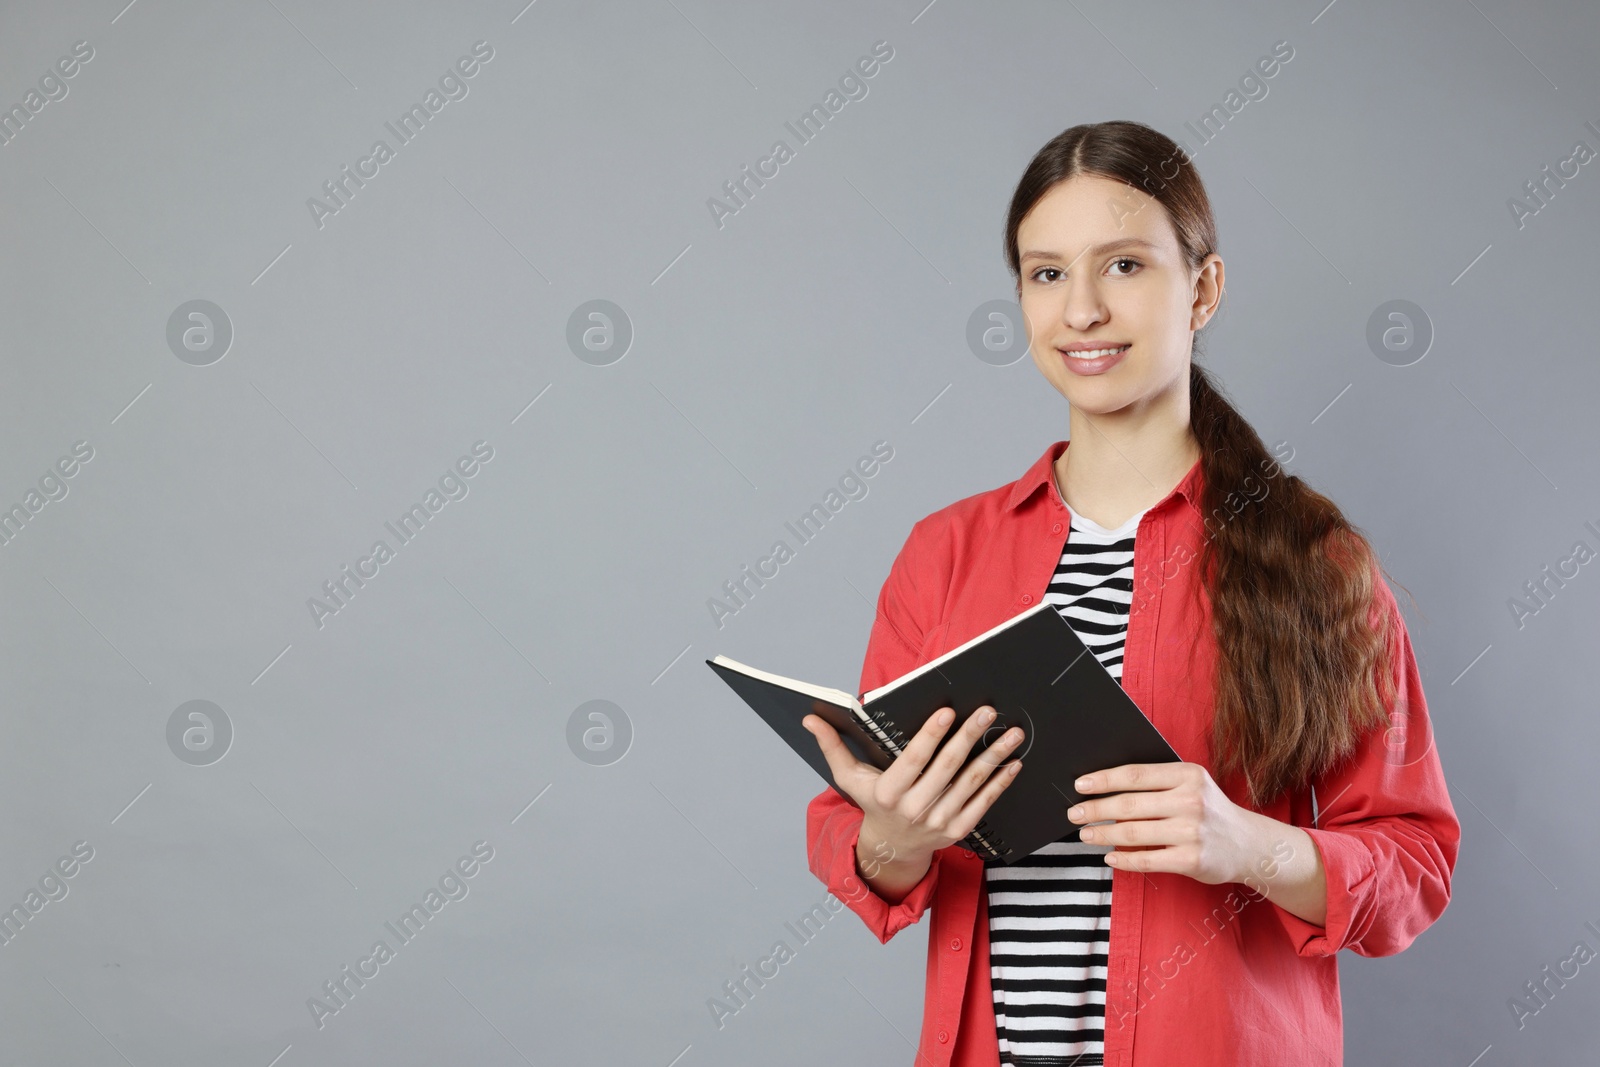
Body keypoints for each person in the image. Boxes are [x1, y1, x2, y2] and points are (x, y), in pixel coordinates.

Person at [800, 120, 1460, 1067]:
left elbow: (1415, 862)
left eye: (1123, 266)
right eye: (1047, 273)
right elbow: (856, 831)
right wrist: (892, 838)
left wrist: (1250, 846)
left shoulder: (1316, 561)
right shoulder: (943, 554)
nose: (1081, 311)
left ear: (1203, 288)